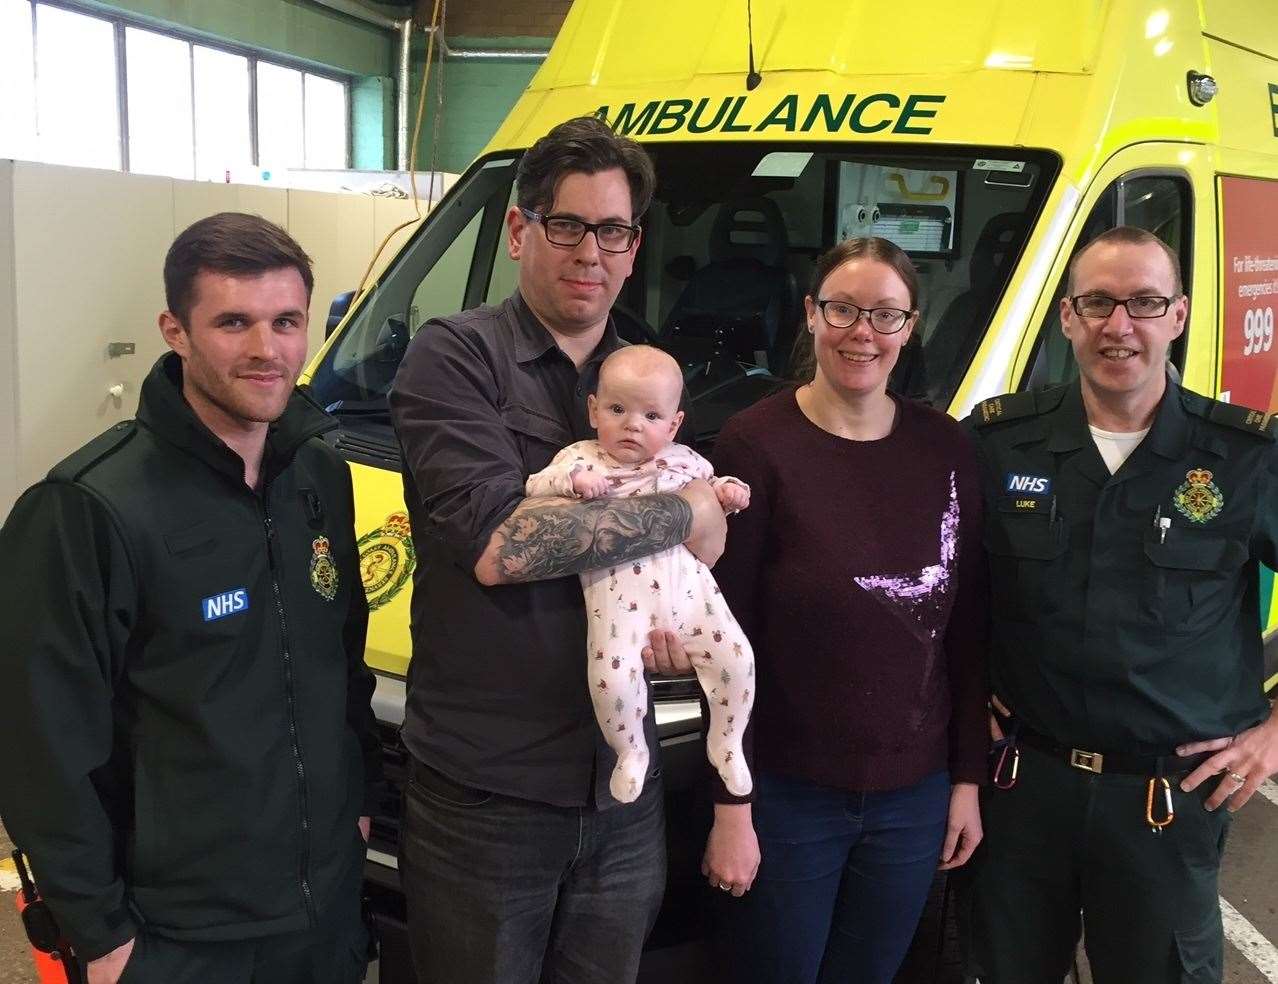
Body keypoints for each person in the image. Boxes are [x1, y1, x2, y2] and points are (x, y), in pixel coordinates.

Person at [388, 116, 728, 984]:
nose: (590, 252)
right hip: (487, 796)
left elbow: (712, 539)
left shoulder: (644, 370)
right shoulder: (455, 357)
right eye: (566, 225)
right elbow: (505, 545)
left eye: (611, 231)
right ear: (517, 231)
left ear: (633, 244)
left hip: (622, 786)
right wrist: (676, 514)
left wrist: (680, 564)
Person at [0, 212, 380, 984]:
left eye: (286, 321)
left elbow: (342, 663)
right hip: (178, 935)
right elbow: (39, 747)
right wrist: (100, 935)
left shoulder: (319, 476)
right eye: (232, 322)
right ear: (175, 329)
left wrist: (358, 795)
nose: (266, 350)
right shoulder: (87, 508)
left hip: (323, 910)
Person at [963, 225, 1278, 984]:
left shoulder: (1244, 457)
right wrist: (959, 695)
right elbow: (946, 588)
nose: (1119, 325)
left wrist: (1274, 734)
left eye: (1143, 302)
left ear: (1178, 315)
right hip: (1021, 788)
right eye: (1098, 303)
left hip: (1165, 801)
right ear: (1067, 316)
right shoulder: (1001, 443)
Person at [704, 236, 989, 984]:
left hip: (913, 799)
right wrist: (732, 801)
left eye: (885, 315)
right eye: (842, 309)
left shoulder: (947, 449)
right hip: (789, 799)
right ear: (810, 314)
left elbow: (966, 630)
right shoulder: (755, 444)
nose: (862, 332)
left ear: (911, 326)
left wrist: (965, 781)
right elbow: (724, 637)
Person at [525, 345, 755, 804]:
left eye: (652, 416)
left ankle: (727, 740)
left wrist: (728, 491)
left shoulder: (684, 459)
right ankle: (630, 751)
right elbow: (535, 486)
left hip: (691, 593)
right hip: (617, 606)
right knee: (611, 677)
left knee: (737, 658)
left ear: (673, 425)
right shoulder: (581, 458)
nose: (633, 424)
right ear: (593, 411)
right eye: (617, 409)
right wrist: (571, 483)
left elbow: (711, 491)